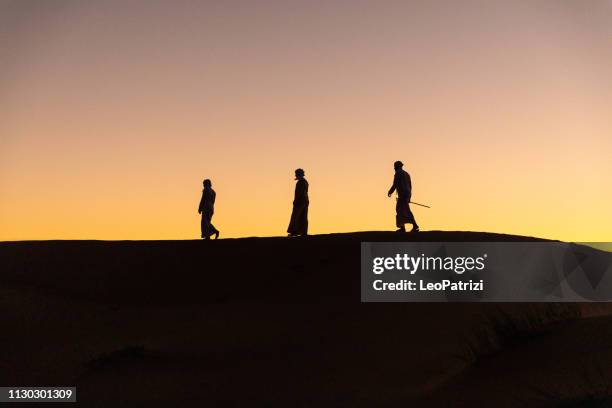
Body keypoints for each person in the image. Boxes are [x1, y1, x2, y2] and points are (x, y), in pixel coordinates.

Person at [387, 161, 419, 232]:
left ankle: (414, 225)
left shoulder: (398, 173)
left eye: (394, 166)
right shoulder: (407, 174)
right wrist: (409, 197)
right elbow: (410, 186)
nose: (394, 168)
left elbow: (395, 184)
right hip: (407, 194)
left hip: (402, 195)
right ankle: (403, 227)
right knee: (401, 210)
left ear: (396, 166)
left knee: (403, 210)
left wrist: (390, 192)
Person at [287, 168, 309, 237]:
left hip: (301, 201)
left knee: (296, 216)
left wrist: (296, 201)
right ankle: (303, 232)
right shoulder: (305, 182)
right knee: (303, 216)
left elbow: (300, 193)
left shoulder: (301, 182)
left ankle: (295, 231)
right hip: (305, 200)